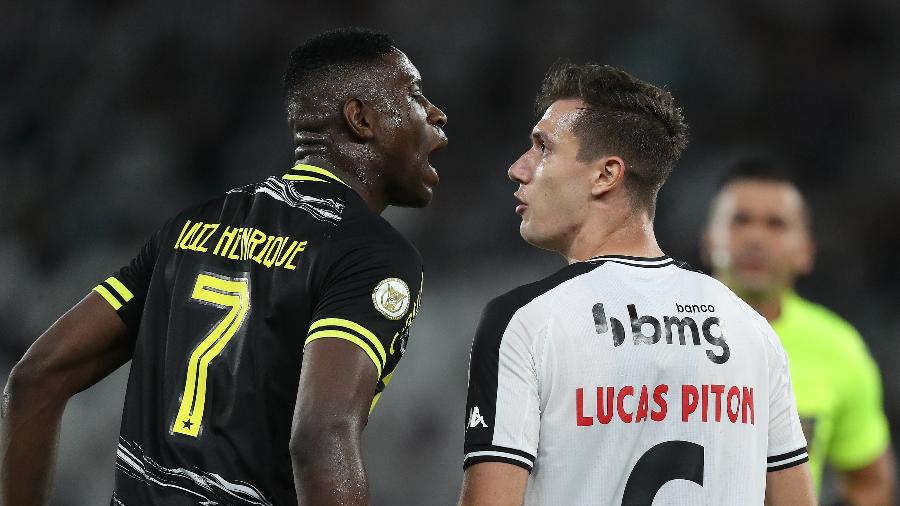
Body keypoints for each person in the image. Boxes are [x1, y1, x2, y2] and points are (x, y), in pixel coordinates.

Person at [1, 27, 447, 506]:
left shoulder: (188, 229)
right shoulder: (370, 253)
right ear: (360, 118)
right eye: (415, 94)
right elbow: (320, 436)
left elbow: (35, 378)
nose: (437, 114)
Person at [458, 63, 815, 505]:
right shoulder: (751, 329)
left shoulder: (526, 322)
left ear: (606, 174)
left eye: (543, 148)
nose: (518, 168)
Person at [703, 158, 896, 505]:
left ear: (806, 252)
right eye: (740, 220)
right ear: (708, 239)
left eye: (776, 224)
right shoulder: (662, 331)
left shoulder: (839, 349)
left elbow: (868, 481)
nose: (755, 238)